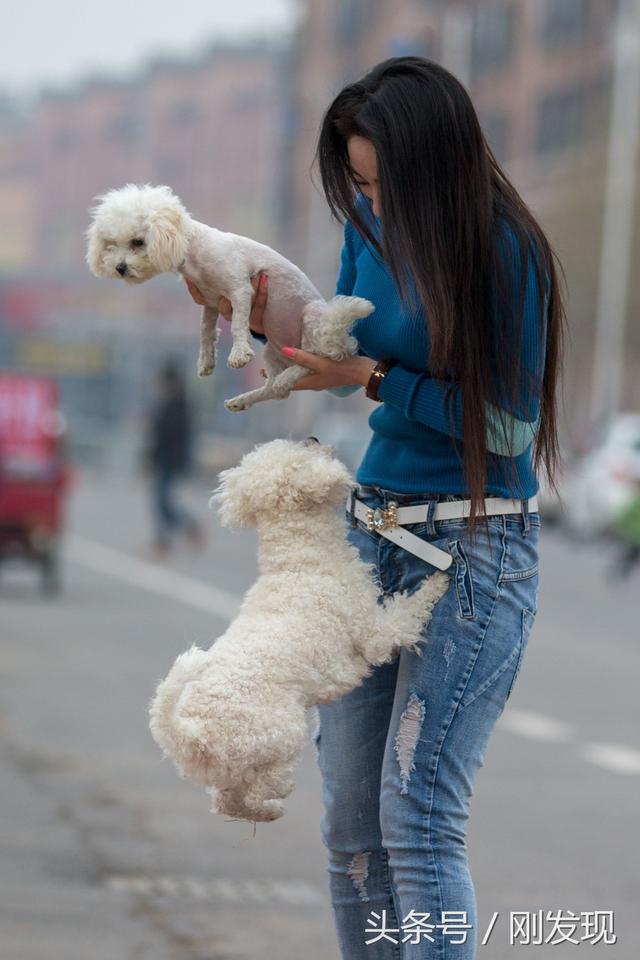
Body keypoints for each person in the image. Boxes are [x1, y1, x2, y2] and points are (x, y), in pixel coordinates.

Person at [186, 55, 566, 960]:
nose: (372, 202)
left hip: (472, 554)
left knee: (418, 820)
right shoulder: (367, 224)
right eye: (358, 182)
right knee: (350, 832)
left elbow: (510, 431)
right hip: (368, 543)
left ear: (438, 164)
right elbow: (335, 337)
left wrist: (373, 379)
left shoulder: (505, 253)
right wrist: (250, 306)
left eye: (385, 183)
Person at [146, 361, 204, 559]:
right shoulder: (170, 403)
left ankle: (171, 538)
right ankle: (175, 535)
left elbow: (169, 435)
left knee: (163, 503)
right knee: (162, 503)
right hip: (164, 460)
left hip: (169, 461)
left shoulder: (178, 405)